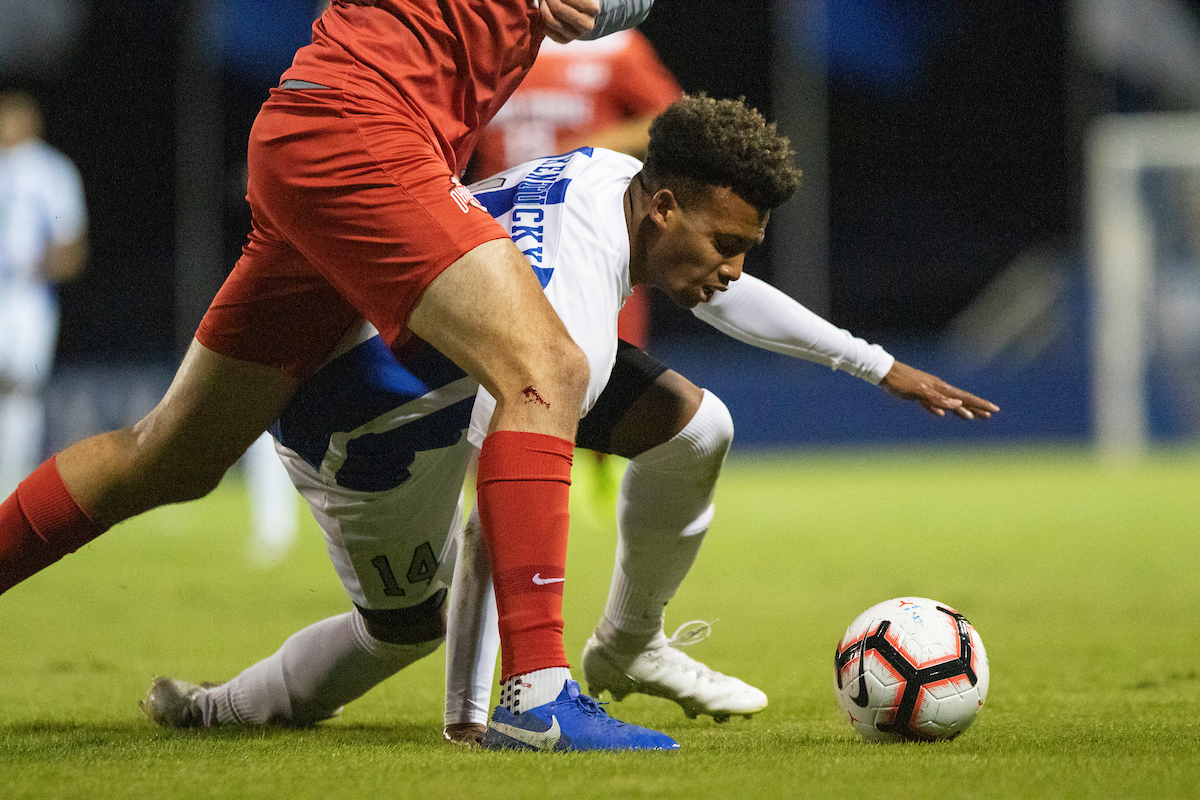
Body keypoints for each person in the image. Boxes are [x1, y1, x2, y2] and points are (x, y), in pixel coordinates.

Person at [140, 95, 997, 751]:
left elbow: (716, 289)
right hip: (364, 433)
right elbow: (492, 518)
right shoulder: (570, 313)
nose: (732, 269)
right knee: (402, 629)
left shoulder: (602, 178)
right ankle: (221, 707)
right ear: (663, 207)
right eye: (725, 244)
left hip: (446, 374)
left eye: (746, 247)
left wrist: (876, 365)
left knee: (696, 428)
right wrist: (472, 719)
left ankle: (627, 648)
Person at [0, 0, 674, 752]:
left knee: (170, 454)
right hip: (364, 128)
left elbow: (615, 7)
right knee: (544, 366)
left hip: (329, 129)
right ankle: (538, 694)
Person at [470, 27, 682, 350]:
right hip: (495, 231)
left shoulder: (615, 46)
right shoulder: (485, 39)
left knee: (608, 374)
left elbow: (676, 124)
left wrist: (587, 153)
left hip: (586, 237)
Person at [0, 91, 88, 497]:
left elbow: (72, 246)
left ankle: (12, 482)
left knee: (20, 389)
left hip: (28, 297)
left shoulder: (52, 170)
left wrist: (39, 266)